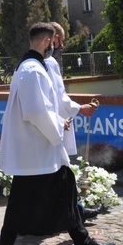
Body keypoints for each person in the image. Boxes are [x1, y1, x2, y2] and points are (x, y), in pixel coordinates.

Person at [0, 22, 115, 245]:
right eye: (54, 42)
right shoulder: (34, 71)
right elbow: (36, 112)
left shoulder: (29, 67)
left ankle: (81, 241)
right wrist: (59, 126)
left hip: (40, 147)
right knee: (20, 200)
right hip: (35, 150)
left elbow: (44, 106)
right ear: (47, 41)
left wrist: (59, 121)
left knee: (66, 185)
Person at [47, 22, 99, 221]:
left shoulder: (45, 62)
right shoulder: (48, 63)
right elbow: (59, 97)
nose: (61, 46)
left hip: (54, 125)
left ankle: (73, 212)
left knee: (59, 173)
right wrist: (80, 109)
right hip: (52, 127)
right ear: (54, 39)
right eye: (61, 41)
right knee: (61, 173)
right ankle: (75, 213)